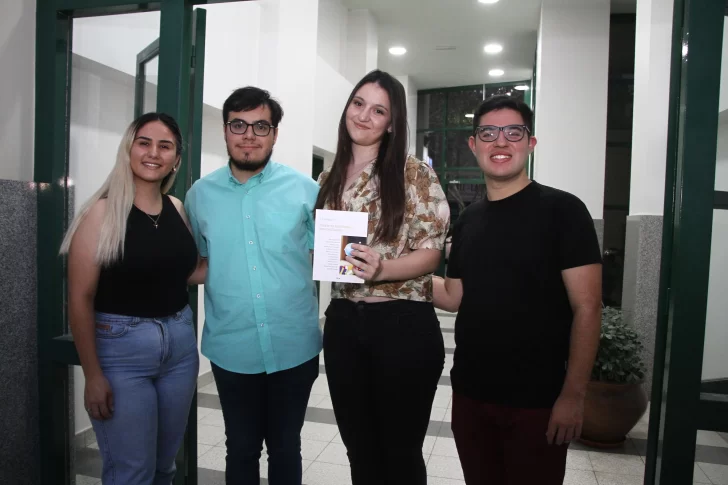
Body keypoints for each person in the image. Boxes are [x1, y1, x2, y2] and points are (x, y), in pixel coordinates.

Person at [434, 95, 602, 485]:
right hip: (471, 395)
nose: (500, 141)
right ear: (473, 144)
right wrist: (389, 267)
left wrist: (573, 396)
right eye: (488, 133)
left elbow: (589, 308)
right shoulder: (469, 220)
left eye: (513, 132)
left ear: (530, 142)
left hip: (538, 401)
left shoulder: (563, 211)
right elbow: (454, 296)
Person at [316, 70, 450, 485]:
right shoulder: (328, 178)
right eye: (358, 104)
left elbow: (431, 253)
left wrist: (383, 269)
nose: (363, 115)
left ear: (392, 123)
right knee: (360, 451)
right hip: (343, 322)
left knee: (401, 455)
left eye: (378, 111)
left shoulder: (414, 174)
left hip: (402, 325)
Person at [184, 87, 320, 485]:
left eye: (261, 126)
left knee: (286, 447)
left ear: (274, 134)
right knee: (241, 448)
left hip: (294, 345)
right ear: (225, 131)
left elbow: (327, 258)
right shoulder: (199, 196)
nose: (249, 135)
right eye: (238, 125)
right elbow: (199, 264)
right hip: (232, 346)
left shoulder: (306, 191)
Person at [61, 112, 206, 484]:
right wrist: (93, 375)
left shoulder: (176, 208)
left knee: (164, 466)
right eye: (144, 143)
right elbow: (80, 298)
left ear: (176, 159)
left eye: (165, 146)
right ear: (128, 149)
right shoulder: (101, 213)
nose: (153, 153)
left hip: (179, 348)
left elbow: (186, 272)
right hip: (121, 352)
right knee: (132, 473)